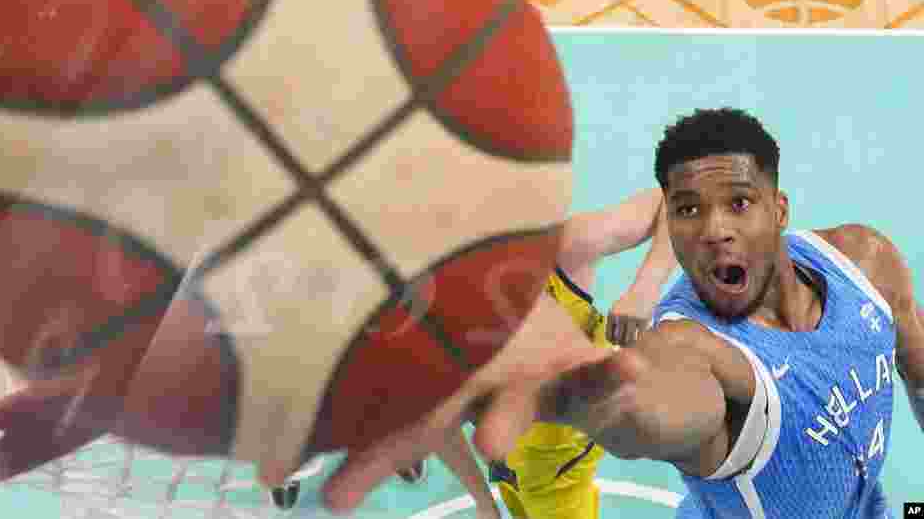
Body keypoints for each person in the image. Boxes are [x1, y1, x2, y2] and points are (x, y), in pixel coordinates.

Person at [323, 107, 924, 519]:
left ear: (780, 208)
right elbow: (645, 403)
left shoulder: (861, 260)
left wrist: (639, 287)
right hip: (535, 463)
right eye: (688, 211)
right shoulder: (687, 347)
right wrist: (551, 389)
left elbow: (917, 370)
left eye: (738, 203)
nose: (715, 230)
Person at [392, 187, 678, 519]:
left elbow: (675, 197)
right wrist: (484, 504)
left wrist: (646, 285)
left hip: (559, 465)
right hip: (510, 456)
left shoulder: (563, 251)